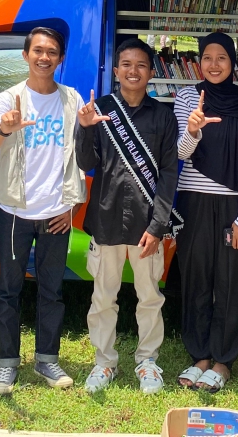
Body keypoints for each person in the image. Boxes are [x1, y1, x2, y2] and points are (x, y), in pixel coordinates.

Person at [0, 27, 86, 394]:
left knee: (52, 291)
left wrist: (72, 204)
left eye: (52, 52)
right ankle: (7, 364)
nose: (44, 57)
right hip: (13, 211)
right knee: (8, 290)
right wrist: (6, 129)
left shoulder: (71, 99)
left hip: (56, 212)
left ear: (60, 58)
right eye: (38, 50)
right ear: (25, 55)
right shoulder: (9, 98)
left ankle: (47, 360)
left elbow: (81, 157)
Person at [75, 38, 179, 395]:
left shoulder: (163, 116)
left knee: (149, 296)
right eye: (126, 65)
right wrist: (85, 127)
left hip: (146, 225)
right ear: (116, 71)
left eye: (141, 65)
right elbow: (85, 164)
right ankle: (104, 362)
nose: (133, 71)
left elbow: (169, 173)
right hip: (105, 220)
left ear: (151, 72)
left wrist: (158, 224)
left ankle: (147, 361)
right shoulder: (100, 109)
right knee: (103, 297)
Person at [173, 32, 238, 393]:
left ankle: (223, 360)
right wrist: (193, 131)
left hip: (233, 204)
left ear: (232, 62)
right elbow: (179, 154)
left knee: (231, 282)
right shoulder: (186, 98)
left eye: (221, 57)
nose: (213, 64)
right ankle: (199, 356)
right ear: (198, 61)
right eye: (207, 57)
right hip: (193, 201)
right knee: (195, 279)